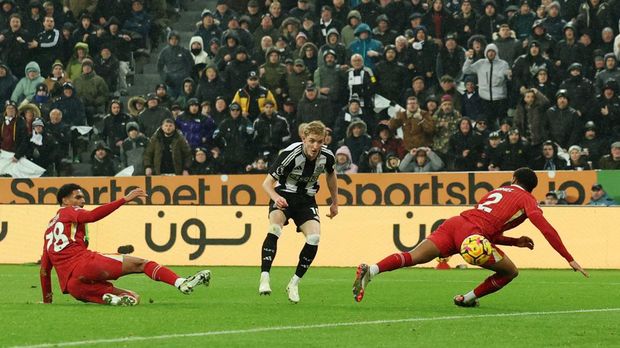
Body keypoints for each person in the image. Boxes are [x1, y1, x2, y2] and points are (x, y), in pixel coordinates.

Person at [353, 167, 588, 306]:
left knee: (412, 256)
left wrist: (515, 242)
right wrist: (568, 257)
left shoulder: (496, 192)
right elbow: (546, 229)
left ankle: (372, 269)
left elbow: (487, 228)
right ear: (530, 187)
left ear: (514, 179)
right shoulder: (527, 200)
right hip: (472, 239)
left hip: (455, 224)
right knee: (510, 272)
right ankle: (466, 299)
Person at [40, 184, 211, 306]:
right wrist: (124, 199)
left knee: (132, 296)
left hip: (73, 285)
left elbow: (44, 270)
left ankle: (113, 299)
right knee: (142, 264)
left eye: (83, 198)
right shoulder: (70, 211)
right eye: (78, 197)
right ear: (65, 200)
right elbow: (92, 216)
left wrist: (47, 300)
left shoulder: (49, 229)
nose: (82, 201)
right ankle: (181, 282)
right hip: (86, 265)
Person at [259, 120, 338, 303]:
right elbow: (267, 183)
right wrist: (275, 197)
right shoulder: (290, 154)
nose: (315, 146)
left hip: (306, 199)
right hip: (284, 195)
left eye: (320, 142)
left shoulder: (327, 156)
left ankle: (294, 283)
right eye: (312, 141)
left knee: (314, 238)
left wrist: (335, 202)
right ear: (304, 138)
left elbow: (331, 174)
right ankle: (265, 277)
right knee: (275, 229)